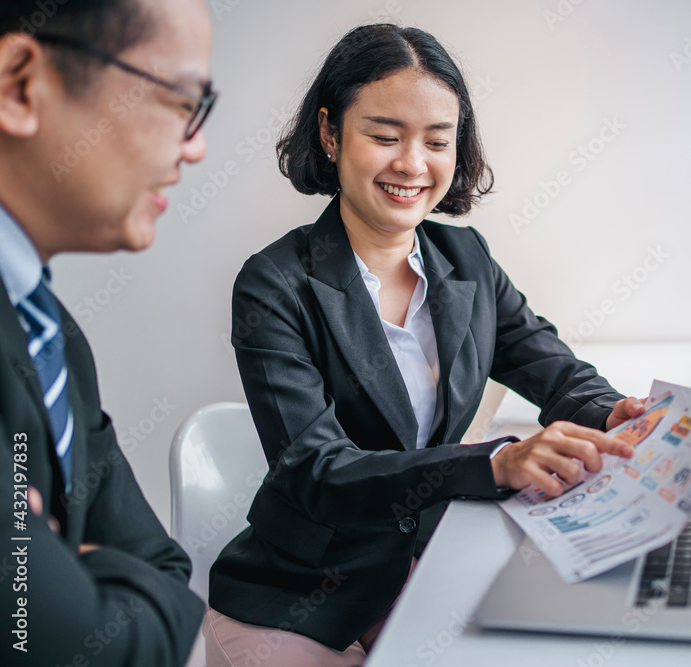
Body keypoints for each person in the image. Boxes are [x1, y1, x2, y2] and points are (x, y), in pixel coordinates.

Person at [206, 23, 646, 666]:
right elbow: (314, 470)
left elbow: (554, 371)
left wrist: (616, 414)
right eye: (385, 136)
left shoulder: (465, 258)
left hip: (419, 576)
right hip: (298, 599)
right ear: (330, 134)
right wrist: (490, 464)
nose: (413, 163)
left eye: (438, 141)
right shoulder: (274, 283)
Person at [0, 0, 216, 664]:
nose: (196, 145)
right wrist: (71, 574)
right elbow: (90, 651)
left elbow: (164, 569)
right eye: (182, 102)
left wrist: (57, 555)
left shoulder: (52, 334)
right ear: (19, 85)